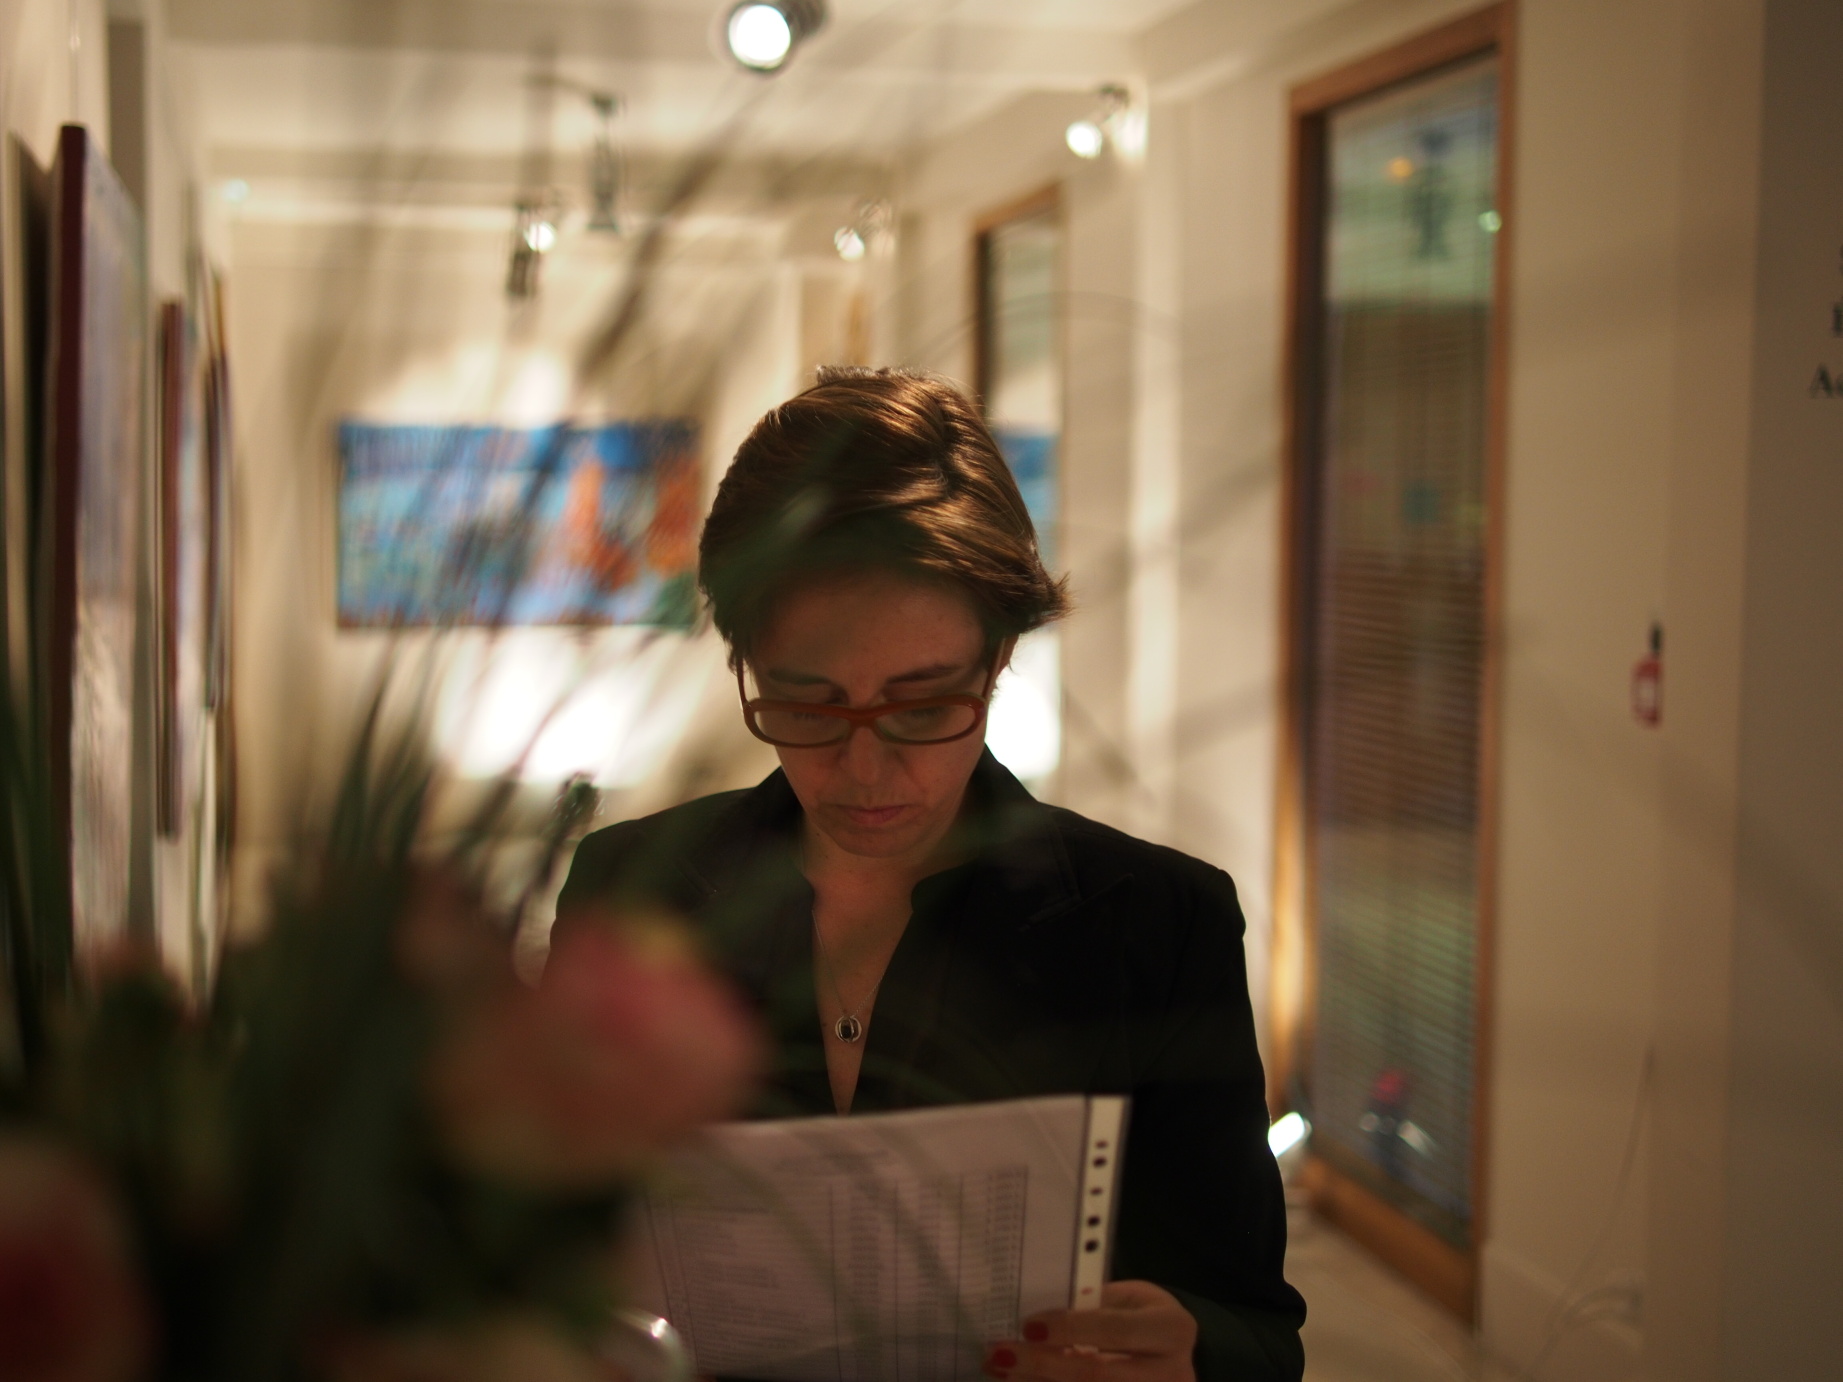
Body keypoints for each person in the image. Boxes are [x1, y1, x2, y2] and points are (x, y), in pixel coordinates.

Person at [553, 368, 1306, 1382]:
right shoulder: (631, 889)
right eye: (807, 703)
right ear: (744, 663)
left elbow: (1257, 1330)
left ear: (995, 661)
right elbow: (541, 1238)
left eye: (921, 705)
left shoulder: (1160, 924)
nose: (864, 768)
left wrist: (1188, 1350)